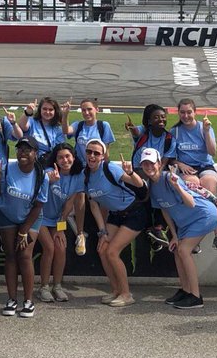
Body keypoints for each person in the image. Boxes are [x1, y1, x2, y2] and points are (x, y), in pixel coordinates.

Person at [140, 147, 217, 309]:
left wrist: (178, 187)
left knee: (184, 251)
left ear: (159, 163)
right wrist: (174, 235)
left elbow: (191, 203)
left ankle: (196, 297)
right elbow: (165, 210)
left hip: (203, 215)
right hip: (186, 222)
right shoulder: (152, 186)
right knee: (176, 249)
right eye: (145, 164)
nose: (149, 167)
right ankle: (185, 290)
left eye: (152, 163)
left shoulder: (170, 178)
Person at [81, 137, 146, 308]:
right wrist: (102, 231)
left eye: (96, 153)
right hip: (115, 216)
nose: (92, 156)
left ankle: (126, 294)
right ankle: (116, 290)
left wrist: (130, 172)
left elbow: (138, 184)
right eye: (89, 152)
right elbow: (94, 204)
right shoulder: (86, 175)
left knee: (112, 252)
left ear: (103, 156)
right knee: (102, 249)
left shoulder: (110, 168)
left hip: (134, 213)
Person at [164, 98, 217, 251]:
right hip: (186, 168)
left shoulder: (203, 127)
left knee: (210, 186)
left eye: (189, 112)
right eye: (182, 112)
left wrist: (206, 131)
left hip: (205, 165)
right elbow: (170, 158)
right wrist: (181, 164)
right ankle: (194, 236)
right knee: (193, 186)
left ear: (195, 112)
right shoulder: (175, 131)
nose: (186, 116)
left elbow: (213, 152)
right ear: (178, 113)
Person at [0, 138, 49, 318]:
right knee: (11, 255)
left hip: (31, 217)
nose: (23, 153)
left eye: (28, 150)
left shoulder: (42, 175)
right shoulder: (6, 169)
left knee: (25, 255)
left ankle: (28, 300)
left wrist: (24, 231)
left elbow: (39, 205)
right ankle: (12, 299)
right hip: (7, 215)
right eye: (20, 149)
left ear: (36, 154)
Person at [65, 97, 113, 256]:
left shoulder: (103, 126)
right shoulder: (78, 125)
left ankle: (104, 231)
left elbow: (106, 151)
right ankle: (80, 234)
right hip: (81, 169)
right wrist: (65, 115)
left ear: (96, 110)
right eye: (83, 110)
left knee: (102, 197)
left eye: (89, 109)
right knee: (79, 195)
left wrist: (105, 171)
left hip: (97, 168)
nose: (86, 113)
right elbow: (66, 132)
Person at [36, 142, 80, 303]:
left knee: (61, 247)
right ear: (55, 160)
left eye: (68, 156)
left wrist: (61, 227)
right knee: (49, 247)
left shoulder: (77, 177)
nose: (64, 160)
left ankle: (57, 286)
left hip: (57, 219)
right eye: (60, 157)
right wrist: (49, 181)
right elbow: (41, 183)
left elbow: (69, 203)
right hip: (39, 216)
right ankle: (44, 287)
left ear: (74, 158)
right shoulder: (49, 172)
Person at [14, 97, 65, 164]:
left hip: (47, 162)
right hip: (30, 161)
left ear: (55, 111)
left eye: (51, 109)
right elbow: (23, 126)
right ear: (40, 109)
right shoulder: (32, 121)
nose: (47, 112)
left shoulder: (58, 128)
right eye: (44, 109)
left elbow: (59, 149)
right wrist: (27, 112)